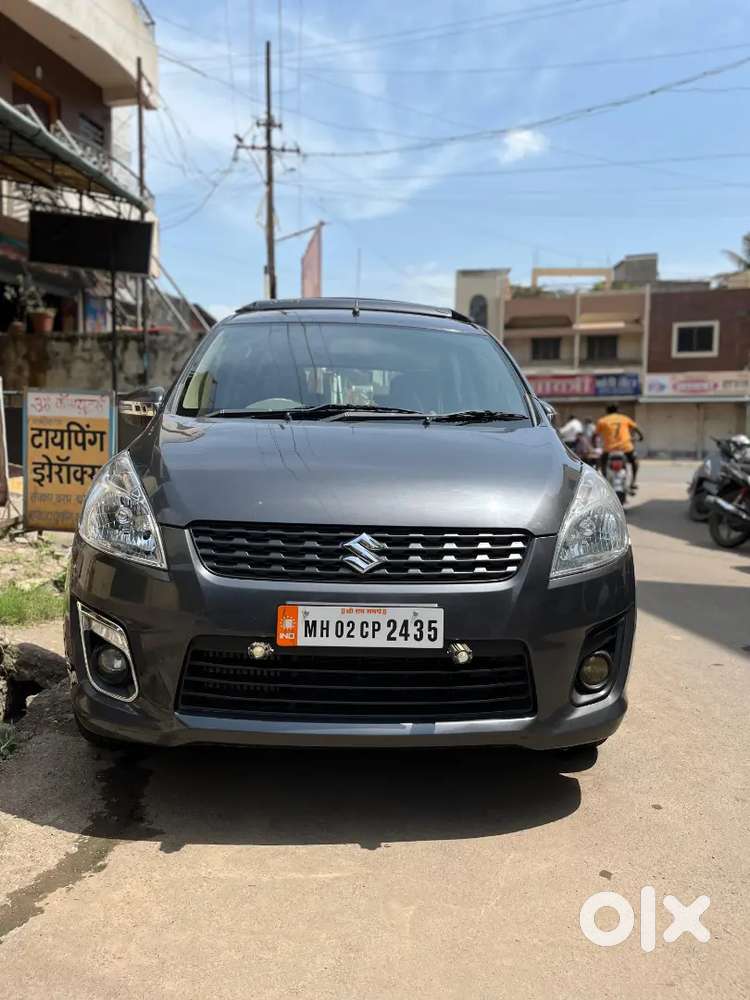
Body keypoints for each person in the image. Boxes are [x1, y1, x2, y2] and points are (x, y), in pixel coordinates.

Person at [596, 403, 644, 490]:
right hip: (625, 448)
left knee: (602, 463)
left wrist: (594, 445)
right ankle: (633, 482)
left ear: (607, 411)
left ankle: (604, 482)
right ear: (618, 411)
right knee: (635, 462)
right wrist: (641, 437)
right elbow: (637, 429)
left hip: (609, 449)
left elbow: (595, 435)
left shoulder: (602, 421)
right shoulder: (624, 418)